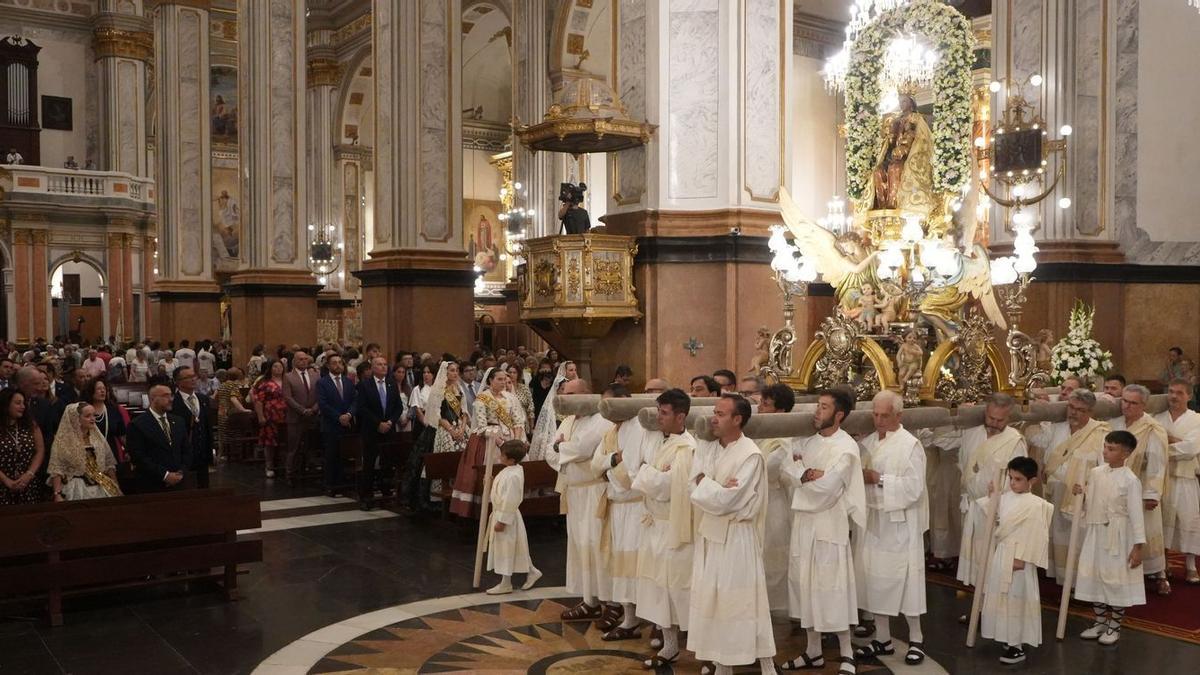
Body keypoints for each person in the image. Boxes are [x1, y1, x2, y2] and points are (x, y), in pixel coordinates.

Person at [687, 395, 775, 675]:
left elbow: (729, 501)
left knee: (739, 602)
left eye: (721, 414)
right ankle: (721, 663)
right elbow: (694, 485)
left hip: (737, 538)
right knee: (714, 600)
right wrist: (711, 485)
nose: (714, 418)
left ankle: (762, 665)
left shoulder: (750, 454)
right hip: (711, 535)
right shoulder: (710, 447)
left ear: (738, 419)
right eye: (714, 412)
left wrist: (707, 483)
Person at [779, 388, 865, 674]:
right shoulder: (807, 441)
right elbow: (785, 469)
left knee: (832, 589)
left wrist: (802, 473)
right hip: (804, 525)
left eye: (824, 407)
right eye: (818, 405)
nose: (817, 411)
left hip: (830, 525)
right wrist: (806, 472)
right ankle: (812, 651)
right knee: (806, 587)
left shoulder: (846, 447)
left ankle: (846, 653)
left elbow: (827, 490)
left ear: (839, 415)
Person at [854, 390, 929, 666]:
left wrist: (879, 478)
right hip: (874, 520)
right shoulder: (868, 443)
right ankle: (883, 639)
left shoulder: (910, 446)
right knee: (875, 579)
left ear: (899, 415)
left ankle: (917, 639)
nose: (879, 420)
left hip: (900, 523)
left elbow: (914, 488)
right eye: (875, 414)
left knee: (907, 581)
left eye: (885, 415)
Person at [632, 388, 697, 669]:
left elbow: (667, 486)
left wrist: (648, 472)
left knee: (680, 590)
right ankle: (670, 646)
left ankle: (702, 652)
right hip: (654, 525)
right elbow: (644, 473)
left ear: (680, 416)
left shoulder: (687, 447)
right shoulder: (662, 442)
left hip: (675, 528)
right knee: (659, 590)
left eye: (664, 412)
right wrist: (650, 472)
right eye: (658, 411)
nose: (658, 417)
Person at [546, 378, 614, 621]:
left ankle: (611, 601)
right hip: (573, 491)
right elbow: (549, 451)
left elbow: (584, 448)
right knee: (579, 545)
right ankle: (589, 599)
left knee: (597, 545)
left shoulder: (601, 419)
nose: (567, 399)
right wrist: (564, 450)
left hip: (594, 491)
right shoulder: (567, 420)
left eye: (572, 394)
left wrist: (562, 449)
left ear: (588, 394)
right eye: (564, 394)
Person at [1072, 430, 1146, 646]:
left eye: (1111, 449)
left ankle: (1114, 625)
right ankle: (1099, 621)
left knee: (1114, 580)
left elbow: (1136, 514)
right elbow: (1095, 500)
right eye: (1105, 446)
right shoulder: (1096, 472)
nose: (1105, 451)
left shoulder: (1131, 480)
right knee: (1093, 575)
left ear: (1126, 453)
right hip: (1096, 532)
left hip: (1119, 535)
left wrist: (1138, 546)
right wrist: (1083, 492)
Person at [975, 456, 1052, 664]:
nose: (1012, 483)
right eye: (1011, 478)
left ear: (1032, 481)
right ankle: (1006, 636)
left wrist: (1022, 559)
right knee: (1001, 596)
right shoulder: (1006, 497)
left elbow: (1037, 534)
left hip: (1020, 558)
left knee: (1017, 598)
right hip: (1003, 554)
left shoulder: (1037, 505)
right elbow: (996, 517)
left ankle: (1017, 644)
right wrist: (992, 495)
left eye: (1018, 479)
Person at [588, 383, 647, 639]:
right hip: (616, 506)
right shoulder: (612, 431)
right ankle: (628, 616)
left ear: (625, 401)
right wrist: (612, 460)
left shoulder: (641, 428)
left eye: (609, 404)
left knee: (636, 563)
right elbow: (595, 464)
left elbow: (632, 472)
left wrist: (607, 467)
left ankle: (646, 618)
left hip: (635, 505)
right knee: (619, 562)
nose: (606, 411)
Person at [957, 393, 1027, 591]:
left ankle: (993, 610)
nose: (994, 423)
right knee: (975, 562)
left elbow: (1018, 479)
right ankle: (977, 608)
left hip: (996, 511)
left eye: (1000, 420)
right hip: (972, 507)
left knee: (993, 562)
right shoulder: (971, 433)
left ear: (1009, 418)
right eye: (990, 418)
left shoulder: (1014, 442)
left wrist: (999, 495)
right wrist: (958, 412)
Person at [1038, 389, 1108, 582]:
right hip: (1056, 491)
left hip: (1082, 497)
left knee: (1079, 539)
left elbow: (1105, 468)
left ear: (1090, 412)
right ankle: (1060, 577)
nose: (1073, 413)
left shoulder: (1100, 433)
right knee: (1058, 536)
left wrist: (1089, 491)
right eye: (1071, 407)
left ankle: (1080, 582)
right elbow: (1036, 440)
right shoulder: (1057, 428)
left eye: (1080, 409)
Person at [1108, 384, 1170, 595]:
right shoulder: (1113, 424)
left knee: (1148, 530)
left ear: (1144, 404)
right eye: (1124, 401)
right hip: (1116, 489)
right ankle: (1125, 573)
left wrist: (1152, 493)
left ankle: (1159, 574)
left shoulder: (1152, 427)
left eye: (1133, 403)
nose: (1127, 406)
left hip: (1141, 487)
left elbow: (1157, 461)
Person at [1154, 379, 1200, 583]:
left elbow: (1190, 449)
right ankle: (1162, 567)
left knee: (1188, 520)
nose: (1174, 396)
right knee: (1161, 521)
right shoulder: (1157, 418)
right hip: (1160, 477)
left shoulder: (1197, 420)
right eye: (1171, 392)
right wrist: (1174, 442)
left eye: (1179, 393)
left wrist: (1166, 443)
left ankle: (1190, 566)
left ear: (1189, 396)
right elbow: (1153, 445)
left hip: (1185, 478)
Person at [756, 383, 796, 612]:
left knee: (774, 558)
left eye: (766, 404)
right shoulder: (760, 434)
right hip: (756, 501)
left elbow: (769, 470)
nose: (760, 408)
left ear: (780, 411)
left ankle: (777, 610)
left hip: (774, 502)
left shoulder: (785, 440)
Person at [485, 439, 542, 594]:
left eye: (502, 455)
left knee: (507, 549)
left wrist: (502, 521)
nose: (499, 457)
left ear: (511, 459)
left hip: (507, 518)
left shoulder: (514, 475)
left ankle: (506, 583)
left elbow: (510, 499)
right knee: (515, 548)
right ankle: (531, 571)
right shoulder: (507, 470)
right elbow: (501, 492)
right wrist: (490, 484)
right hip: (501, 514)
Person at [355, 356, 405, 511]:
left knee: (387, 463)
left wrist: (390, 421)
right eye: (379, 364)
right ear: (372, 367)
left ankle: (386, 494)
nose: (383, 367)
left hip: (389, 430)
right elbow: (362, 408)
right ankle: (366, 497)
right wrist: (378, 423)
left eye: (385, 364)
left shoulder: (391, 384)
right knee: (369, 464)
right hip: (371, 430)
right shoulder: (365, 385)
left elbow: (398, 407)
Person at [47, 402, 122, 501]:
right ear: (76, 419)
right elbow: (57, 468)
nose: (92, 419)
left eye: (93, 415)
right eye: (87, 416)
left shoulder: (98, 439)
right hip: (76, 487)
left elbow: (109, 464)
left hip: (101, 485)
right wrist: (57, 493)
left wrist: (116, 486)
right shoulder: (63, 441)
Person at [126, 384, 191, 492]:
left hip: (180, 483)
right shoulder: (137, 425)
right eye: (165, 396)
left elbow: (187, 450)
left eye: (171, 396)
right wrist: (165, 475)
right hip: (152, 485)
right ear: (153, 399)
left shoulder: (179, 421)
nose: (170, 399)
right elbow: (139, 457)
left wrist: (181, 472)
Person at [426, 361, 470, 506]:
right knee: (448, 461)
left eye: (457, 370)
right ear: (445, 372)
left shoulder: (459, 388)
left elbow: (464, 411)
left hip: (461, 429)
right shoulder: (438, 389)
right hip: (446, 429)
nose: (455, 373)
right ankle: (445, 495)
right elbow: (436, 415)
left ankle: (461, 493)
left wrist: (462, 428)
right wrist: (451, 430)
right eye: (452, 370)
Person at [316, 354, 356, 497]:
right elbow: (323, 404)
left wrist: (349, 415)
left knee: (344, 455)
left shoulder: (349, 382)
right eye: (334, 363)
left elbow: (354, 401)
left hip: (347, 424)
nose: (338, 365)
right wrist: (338, 417)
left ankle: (342, 484)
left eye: (340, 363)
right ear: (328, 366)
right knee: (331, 455)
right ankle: (330, 485)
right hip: (331, 424)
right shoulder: (322, 383)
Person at [0, 389, 45, 505]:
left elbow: (40, 451)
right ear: (5, 404)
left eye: (24, 403)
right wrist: (7, 481)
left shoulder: (31, 425)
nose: (23, 406)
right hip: (2, 484)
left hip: (27, 484)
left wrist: (29, 474)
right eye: (18, 403)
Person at [172, 367, 213, 489]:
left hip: (202, 454)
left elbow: (207, 427)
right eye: (188, 377)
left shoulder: (203, 399)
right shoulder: (173, 402)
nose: (193, 379)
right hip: (183, 455)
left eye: (193, 376)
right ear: (178, 381)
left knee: (204, 487)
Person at [282, 351, 320, 486]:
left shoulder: (315, 375)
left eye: (305, 359)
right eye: (300, 359)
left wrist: (314, 408)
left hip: (312, 416)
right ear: (294, 361)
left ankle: (308, 471)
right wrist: (302, 410)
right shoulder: (288, 377)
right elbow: (288, 397)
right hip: (296, 417)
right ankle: (290, 473)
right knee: (294, 447)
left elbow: (320, 395)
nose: (304, 361)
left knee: (311, 446)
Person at [252, 359, 287, 479]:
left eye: (280, 366)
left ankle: (284, 464)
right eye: (275, 366)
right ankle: (269, 466)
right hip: (270, 416)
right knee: (269, 442)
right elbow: (258, 400)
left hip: (286, 416)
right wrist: (260, 416)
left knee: (285, 442)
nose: (278, 369)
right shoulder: (265, 383)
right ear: (271, 368)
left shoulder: (287, 381)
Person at [81, 378, 127, 464]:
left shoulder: (113, 410)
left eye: (104, 388)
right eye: (99, 389)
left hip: (111, 455)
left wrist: (129, 451)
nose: (103, 391)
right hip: (89, 455)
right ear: (91, 391)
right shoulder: (83, 410)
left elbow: (122, 435)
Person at [216, 367, 248, 462]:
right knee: (234, 434)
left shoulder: (222, 385)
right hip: (231, 413)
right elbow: (233, 399)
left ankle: (222, 455)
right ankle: (234, 455)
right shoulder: (234, 385)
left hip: (221, 412)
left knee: (222, 434)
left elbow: (215, 396)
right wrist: (243, 410)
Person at [506, 362, 535, 432]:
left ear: (518, 374)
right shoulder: (503, 389)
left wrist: (532, 427)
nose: (512, 374)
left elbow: (530, 407)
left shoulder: (524, 388)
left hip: (524, 422)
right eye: (510, 372)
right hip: (508, 422)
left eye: (514, 372)